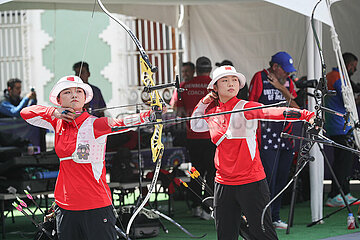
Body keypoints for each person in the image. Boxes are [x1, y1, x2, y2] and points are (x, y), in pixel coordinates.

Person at [20, 76, 155, 240]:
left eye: (78, 91)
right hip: (65, 205)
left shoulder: (95, 124)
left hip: (96, 204)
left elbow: (120, 122)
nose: (74, 95)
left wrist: (150, 115)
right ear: (59, 100)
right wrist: (54, 112)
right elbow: (26, 112)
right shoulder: (56, 122)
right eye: (68, 92)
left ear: (85, 98)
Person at [190, 65, 315, 240]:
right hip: (223, 182)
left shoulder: (245, 107)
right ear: (215, 88)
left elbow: (272, 112)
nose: (231, 83)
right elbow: (195, 124)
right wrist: (207, 99)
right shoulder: (212, 113)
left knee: (263, 233)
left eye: (234, 80)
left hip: (251, 181)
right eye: (224, 81)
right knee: (225, 234)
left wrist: (304, 114)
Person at [248, 51, 299, 229]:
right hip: (265, 138)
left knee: (281, 180)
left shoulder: (288, 82)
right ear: (275, 67)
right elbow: (250, 106)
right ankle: (262, 218)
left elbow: (296, 108)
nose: (288, 73)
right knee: (267, 179)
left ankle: (275, 217)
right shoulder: (259, 78)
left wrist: (281, 87)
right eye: (285, 70)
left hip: (286, 138)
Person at [173, 56, 216, 220]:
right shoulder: (215, 85)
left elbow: (178, 112)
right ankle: (209, 208)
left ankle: (196, 207)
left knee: (196, 171)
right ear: (210, 69)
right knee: (212, 172)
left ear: (196, 70)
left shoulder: (185, 86)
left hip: (192, 136)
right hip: (211, 136)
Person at [324, 52, 360, 207]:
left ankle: (344, 193)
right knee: (342, 162)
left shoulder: (334, 76)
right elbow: (347, 98)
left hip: (339, 125)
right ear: (349, 65)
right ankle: (335, 195)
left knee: (345, 161)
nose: (355, 70)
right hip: (340, 126)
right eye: (354, 67)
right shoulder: (337, 77)